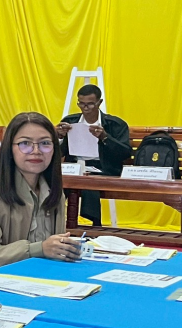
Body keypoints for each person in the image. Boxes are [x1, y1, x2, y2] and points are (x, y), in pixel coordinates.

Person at [0, 112, 81, 272]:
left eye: (45, 143)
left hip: (42, 279)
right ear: (10, 149)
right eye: (25, 143)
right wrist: (39, 249)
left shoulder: (55, 194)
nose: (36, 151)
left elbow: (54, 252)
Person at [56, 84, 131, 225]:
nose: (85, 108)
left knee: (89, 181)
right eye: (81, 104)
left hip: (104, 167)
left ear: (99, 103)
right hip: (75, 166)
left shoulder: (115, 124)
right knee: (56, 180)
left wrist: (105, 137)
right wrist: (59, 137)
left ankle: (94, 225)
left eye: (90, 104)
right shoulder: (71, 121)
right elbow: (59, 153)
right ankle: (55, 222)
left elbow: (125, 153)